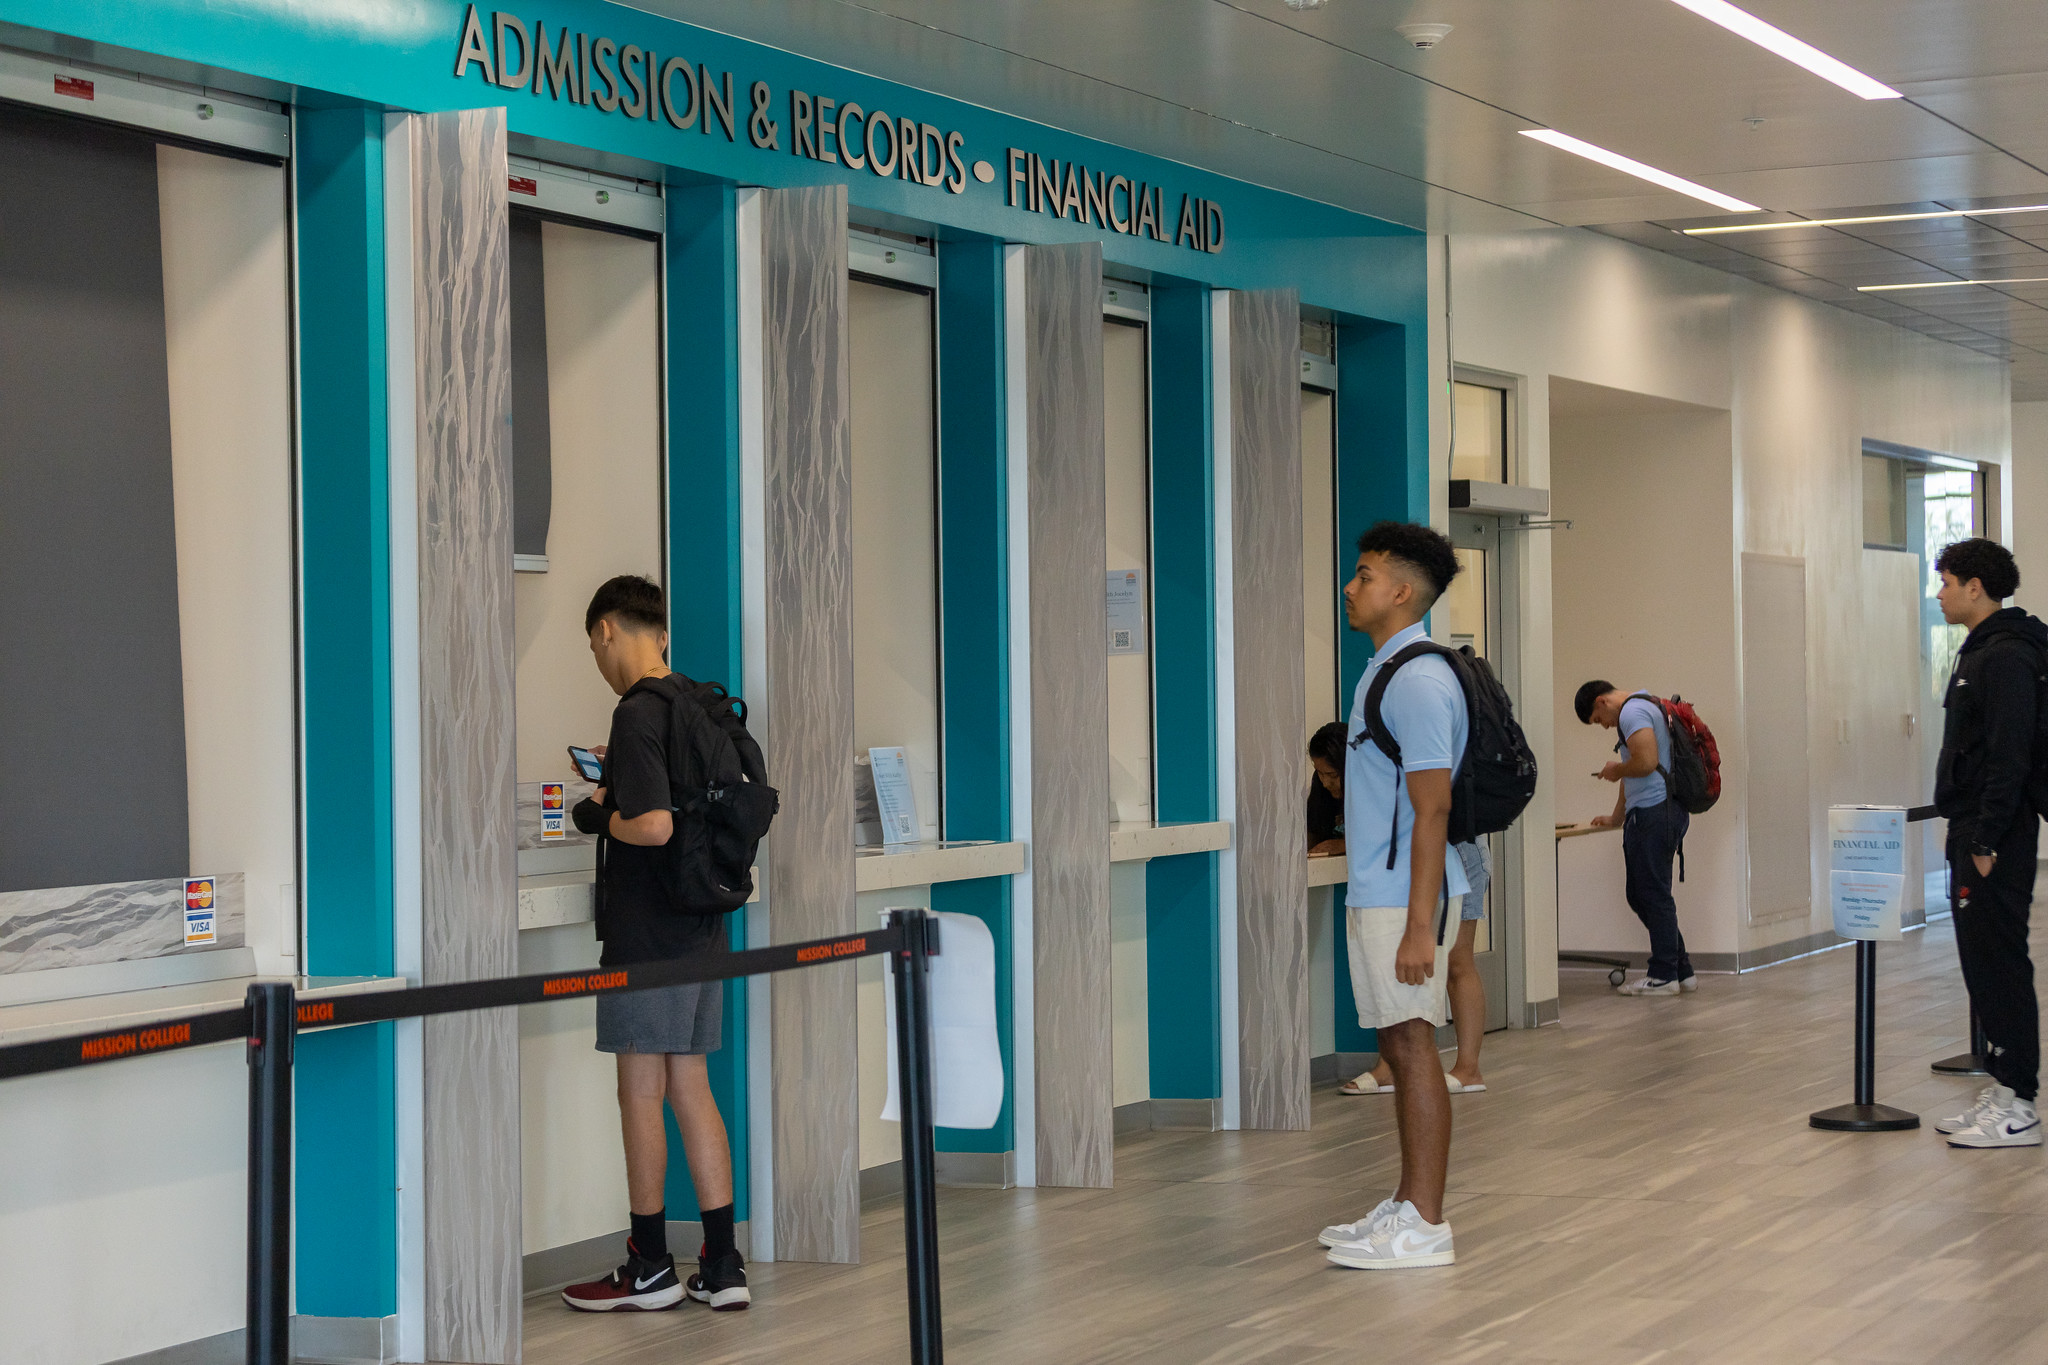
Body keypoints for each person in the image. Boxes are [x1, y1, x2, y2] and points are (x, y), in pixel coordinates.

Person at [561, 576, 751, 1311]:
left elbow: (653, 825)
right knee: (692, 1086)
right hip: (703, 927)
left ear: (607, 629)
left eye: (593, 646)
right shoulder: (690, 703)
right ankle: (723, 1264)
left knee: (640, 1091)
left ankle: (647, 1266)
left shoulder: (636, 712)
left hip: (647, 936)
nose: (598, 661)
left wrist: (597, 817)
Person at [1319, 521, 1467, 1272]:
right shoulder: (1385, 669)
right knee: (1395, 1044)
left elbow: (1433, 809)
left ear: (1402, 591)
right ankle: (1408, 1203)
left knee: (1413, 1046)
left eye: (1366, 575)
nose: (1351, 587)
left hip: (1405, 898)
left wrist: (1418, 926)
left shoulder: (1417, 680)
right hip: (1381, 890)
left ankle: (1427, 1225)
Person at [1929, 538, 2043, 1149]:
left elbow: (2010, 754)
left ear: (1975, 587)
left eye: (1946, 582)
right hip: (1975, 826)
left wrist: (1987, 839)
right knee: (1982, 963)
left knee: (2000, 962)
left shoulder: (2005, 655)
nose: (1939, 594)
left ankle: (2020, 1104)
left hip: (1993, 831)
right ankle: (2003, 1087)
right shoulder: (1983, 649)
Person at [1337, 838, 1490, 1098]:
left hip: (1458, 849)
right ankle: (1390, 1066)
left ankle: (1468, 1069)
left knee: (1457, 960)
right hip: (1411, 857)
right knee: (1397, 958)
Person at [1574, 681, 1697, 996]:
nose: (1604, 726)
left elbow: (1645, 762)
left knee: (1652, 895)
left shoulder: (1632, 713)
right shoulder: (1645, 704)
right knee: (1643, 894)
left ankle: (1664, 975)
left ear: (1601, 702)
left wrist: (1617, 770)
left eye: (1598, 720)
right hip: (1657, 812)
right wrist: (1617, 817)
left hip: (1654, 813)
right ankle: (1680, 970)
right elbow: (1635, 767)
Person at [1308, 721, 1347, 858]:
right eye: (1320, 773)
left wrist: (1345, 845)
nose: (1325, 783)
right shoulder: (1319, 785)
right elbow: (1313, 829)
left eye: (1333, 775)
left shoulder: (1373, 790)